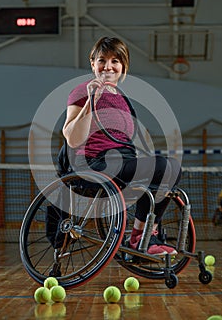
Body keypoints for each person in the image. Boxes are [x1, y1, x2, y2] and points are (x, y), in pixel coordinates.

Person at [61, 36, 181, 256]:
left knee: (171, 169)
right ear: (92, 64)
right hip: (94, 163)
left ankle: (143, 236)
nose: (108, 66)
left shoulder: (123, 100)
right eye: (102, 60)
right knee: (162, 167)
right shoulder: (81, 91)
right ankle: (139, 240)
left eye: (115, 61)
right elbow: (72, 138)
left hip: (122, 161)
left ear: (123, 66)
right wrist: (91, 100)